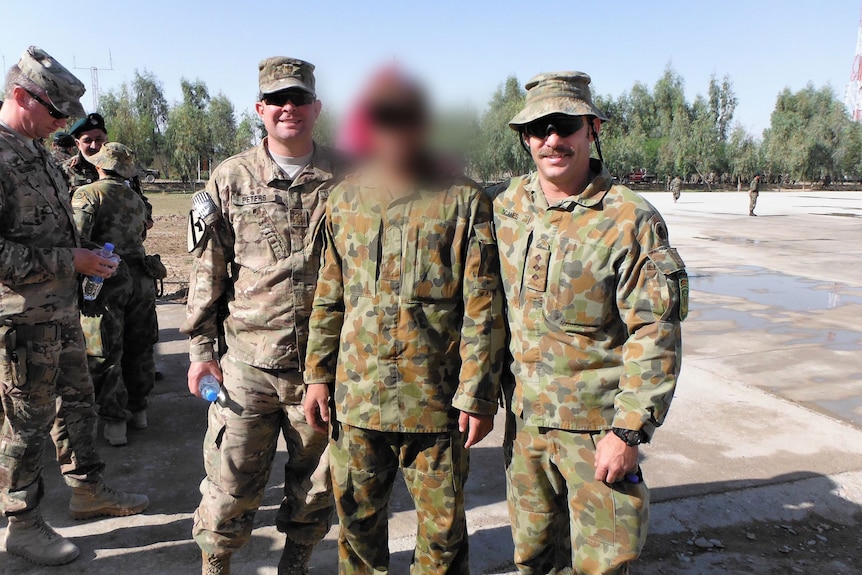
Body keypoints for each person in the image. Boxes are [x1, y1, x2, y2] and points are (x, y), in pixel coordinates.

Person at [304, 70, 503, 575]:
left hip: (435, 405)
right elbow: (330, 298)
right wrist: (316, 376)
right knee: (357, 530)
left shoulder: (463, 201)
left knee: (442, 538)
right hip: (358, 400)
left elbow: (483, 308)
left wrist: (478, 394)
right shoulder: (345, 200)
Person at [493, 72, 686, 575]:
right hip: (527, 427)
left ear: (591, 128)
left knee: (603, 564)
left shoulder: (629, 219)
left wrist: (629, 430)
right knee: (533, 558)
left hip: (596, 428)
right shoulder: (507, 206)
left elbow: (654, 329)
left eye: (565, 125)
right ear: (525, 138)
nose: (552, 139)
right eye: (538, 128)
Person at [181, 56, 347, 575]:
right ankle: (216, 564)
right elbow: (207, 273)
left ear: (317, 107)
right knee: (228, 486)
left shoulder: (349, 177)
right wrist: (201, 352)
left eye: (298, 99)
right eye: (277, 100)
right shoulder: (230, 178)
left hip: (321, 370)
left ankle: (295, 564)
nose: (288, 108)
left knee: (317, 485)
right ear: (260, 109)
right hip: (246, 365)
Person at [0, 46, 148, 567]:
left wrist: (84, 264)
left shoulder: (38, 152)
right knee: (26, 421)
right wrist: (73, 260)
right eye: (56, 111)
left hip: (60, 312)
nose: (63, 123)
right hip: (21, 320)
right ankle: (21, 522)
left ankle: (88, 488)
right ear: (21, 95)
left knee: (79, 400)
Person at [72, 142, 158, 447]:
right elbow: (141, 234)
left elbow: (77, 238)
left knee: (105, 349)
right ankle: (139, 410)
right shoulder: (136, 198)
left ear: (99, 165)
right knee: (140, 344)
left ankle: (115, 420)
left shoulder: (88, 194)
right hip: (142, 279)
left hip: (106, 279)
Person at [63, 113, 107, 192]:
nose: (94, 146)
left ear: (106, 139)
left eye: (99, 140)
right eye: (88, 141)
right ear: (78, 144)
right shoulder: (65, 170)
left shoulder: (121, 166)